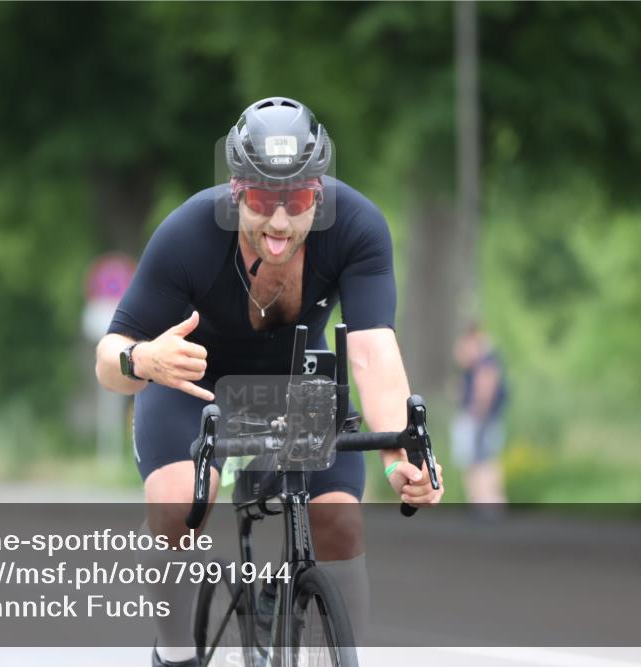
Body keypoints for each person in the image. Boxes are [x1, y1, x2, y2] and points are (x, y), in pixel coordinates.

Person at [95, 96, 444, 667]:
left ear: (319, 193)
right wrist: (144, 360)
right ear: (236, 192)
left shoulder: (358, 228)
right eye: (261, 200)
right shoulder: (187, 233)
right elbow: (108, 358)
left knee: (339, 523)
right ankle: (175, 652)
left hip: (299, 390)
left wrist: (399, 455)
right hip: (196, 388)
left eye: (298, 200)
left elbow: (373, 353)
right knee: (176, 504)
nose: (279, 222)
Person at [451, 323, 509, 507]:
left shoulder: (485, 362)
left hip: (480, 417)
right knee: (481, 459)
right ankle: (483, 500)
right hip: (483, 417)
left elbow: (484, 388)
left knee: (482, 461)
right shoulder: (483, 361)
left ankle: (485, 500)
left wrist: (478, 411)